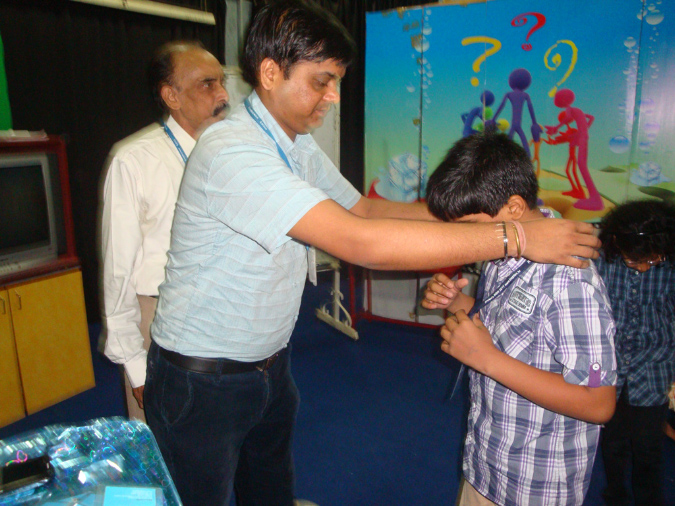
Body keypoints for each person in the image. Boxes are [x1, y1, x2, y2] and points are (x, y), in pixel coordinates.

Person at [143, 2, 601, 505]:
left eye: (336, 82)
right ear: (270, 73)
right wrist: (515, 238)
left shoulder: (295, 145)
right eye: (322, 81)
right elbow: (360, 242)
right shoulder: (232, 151)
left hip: (268, 365)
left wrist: (477, 216)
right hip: (203, 378)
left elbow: (363, 208)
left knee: (270, 490)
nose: (333, 97)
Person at [422, 132, 617, 505]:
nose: (464, 240)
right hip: (486, 463)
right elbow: (507, 325)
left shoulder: (570, 280)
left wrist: (486, 358)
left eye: (469, 226)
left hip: (533, 486)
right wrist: (458, 302)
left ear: (513, 207)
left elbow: (599, 402)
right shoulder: (503, 249)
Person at [100, 41, 229, 421]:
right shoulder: (133, 160)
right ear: (171, 96)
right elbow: (118, 270)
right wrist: (136, 365)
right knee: (160, 436)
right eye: (207, 84)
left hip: (223, 309)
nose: (223, 94)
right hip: (158, 316)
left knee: (214, 434)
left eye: (222, 82)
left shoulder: (230, 154)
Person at [594, 200, 675, 506]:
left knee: (648, 448)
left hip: (654, 365)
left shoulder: (670, 264)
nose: (643, 267)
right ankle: (615, 494)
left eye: (652, 261)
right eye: (634, 261)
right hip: (608, 365)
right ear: (617, 243)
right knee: (611, 441)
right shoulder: (601, 260)